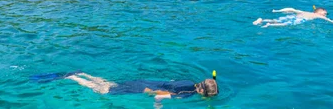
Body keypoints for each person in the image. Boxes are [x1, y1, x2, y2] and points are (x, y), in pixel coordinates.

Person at [30, 70, 219, 101]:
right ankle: (72, 77)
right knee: (104, 92)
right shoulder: (188, 94)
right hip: (144, 88)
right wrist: (157, 103)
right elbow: (160, 94)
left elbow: (169, 83)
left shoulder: (188, 81)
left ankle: (82, 73)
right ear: (202, 92)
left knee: (109, 84)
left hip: (142, 81)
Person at [253, 6, 333, 27]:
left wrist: (278, 10)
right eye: (325, 13)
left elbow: (291, 9)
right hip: (301, 19)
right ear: (320, 13)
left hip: (294, 15)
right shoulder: (319, 16)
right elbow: (332, 22)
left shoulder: (304, 11)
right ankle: (269, 25)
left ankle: (262, 20)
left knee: (276, 20)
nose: (325, 15)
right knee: (285, 24)